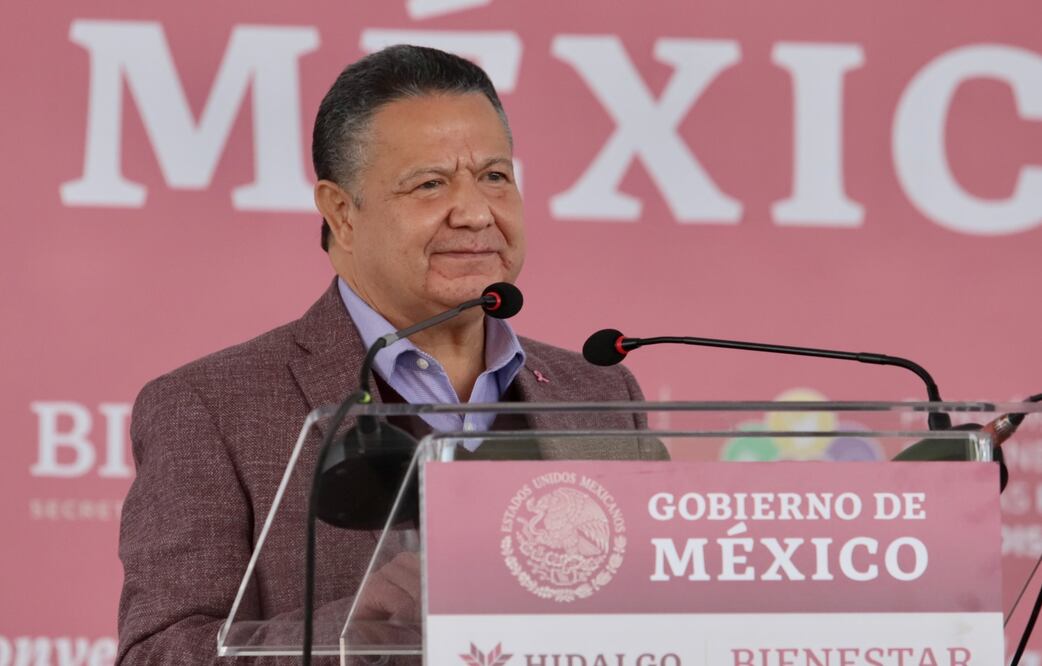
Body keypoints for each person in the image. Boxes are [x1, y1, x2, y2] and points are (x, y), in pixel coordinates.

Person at [116, 45, 663, 665]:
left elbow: (671, 615)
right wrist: (353, 631)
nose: (477, 212)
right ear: (341, 213)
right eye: (430, 184)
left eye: (495, 176)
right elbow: (156, 655)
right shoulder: (212, 409)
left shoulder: (600, 393)